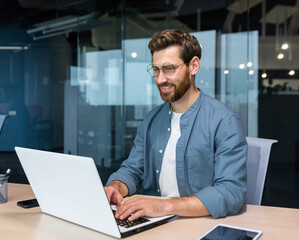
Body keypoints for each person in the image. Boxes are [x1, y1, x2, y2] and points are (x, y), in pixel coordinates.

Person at [104, 30, 247, 221]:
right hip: (153, 222)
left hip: (197, 224)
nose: (161, 79)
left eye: (169, 68)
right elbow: (132, 169)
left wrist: (163, 205)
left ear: (193, 65)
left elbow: (231, 192)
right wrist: (116, 187)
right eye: (156, 70)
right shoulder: (151, 120)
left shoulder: (224, 121)